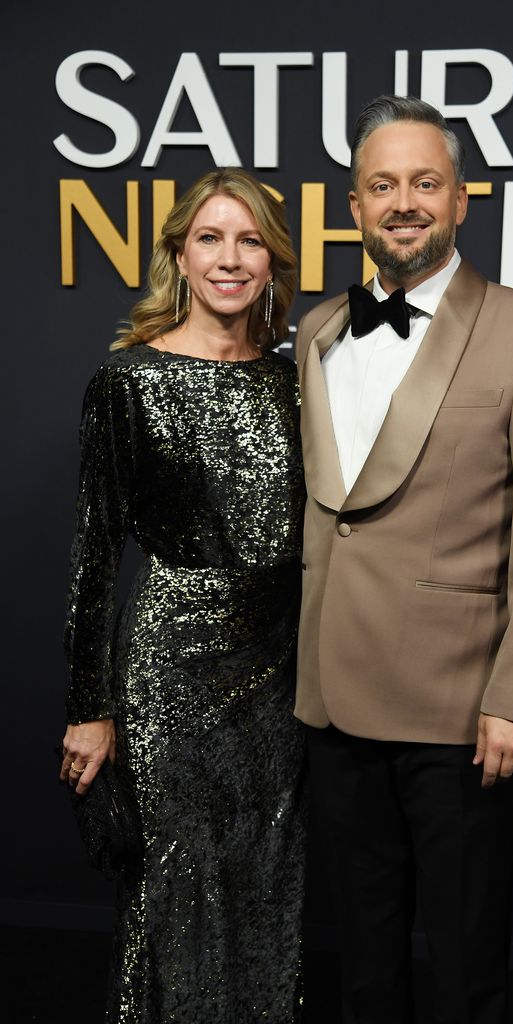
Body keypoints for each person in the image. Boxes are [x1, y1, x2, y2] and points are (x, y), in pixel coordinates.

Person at [294, 96, 513, 1024]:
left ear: (462, 199)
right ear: (354, 208)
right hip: (331, 703)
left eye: (426, 182)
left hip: (462, 712)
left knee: (467, 970)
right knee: (363, 963)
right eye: (383, 185)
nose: (405, 201)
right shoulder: (315, 333)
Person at [59, 168, 306, 1023]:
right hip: (172, 671)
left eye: (250, 241)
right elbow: (94, 555)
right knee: (178, 880)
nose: (230, 259)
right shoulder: (128, 382)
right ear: (178, 253)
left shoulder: (295, 384)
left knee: (268, 876)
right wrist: (91, 708)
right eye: (210, 238)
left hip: (281, 676)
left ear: (274, 260)